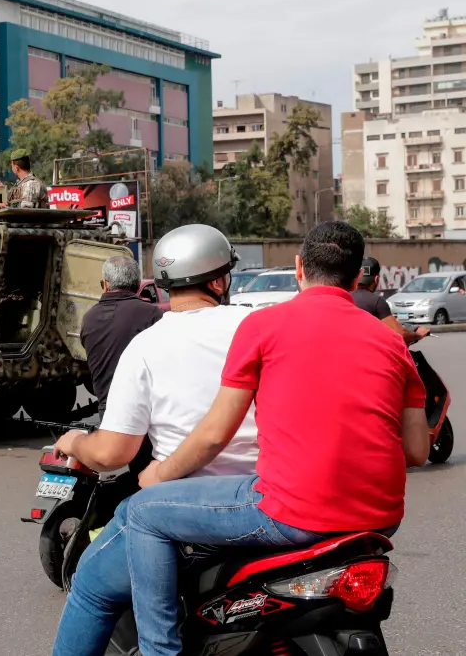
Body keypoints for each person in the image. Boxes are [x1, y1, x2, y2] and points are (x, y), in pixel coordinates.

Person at [124, 222, 429, 656]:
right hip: (379, 521)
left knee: (143, 513)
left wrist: (158, 475)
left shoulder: (263, 325)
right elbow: (416, 451)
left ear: (299, 267)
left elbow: (214, 436)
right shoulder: (391, 343)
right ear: (358, 274)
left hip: (291, 513)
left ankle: (159, 651)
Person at [50, 226, 258, 655]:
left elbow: (112, 452)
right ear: (219, 281)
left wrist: (73, 442)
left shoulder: (145, 345)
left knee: (89, 584)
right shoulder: (256, 326)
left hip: (184, 513)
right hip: (268, 500)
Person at [79, 255, 162, 417]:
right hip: (146, 412)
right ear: (138, 284)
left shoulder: (89, 318)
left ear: (106, 285)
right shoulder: (151, 314)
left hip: (108, 413)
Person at [354, 256, 428, 344]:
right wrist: (418, 335)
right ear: (376, 279)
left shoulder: (344, 297)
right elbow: (401, 334)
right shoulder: (377, 302)